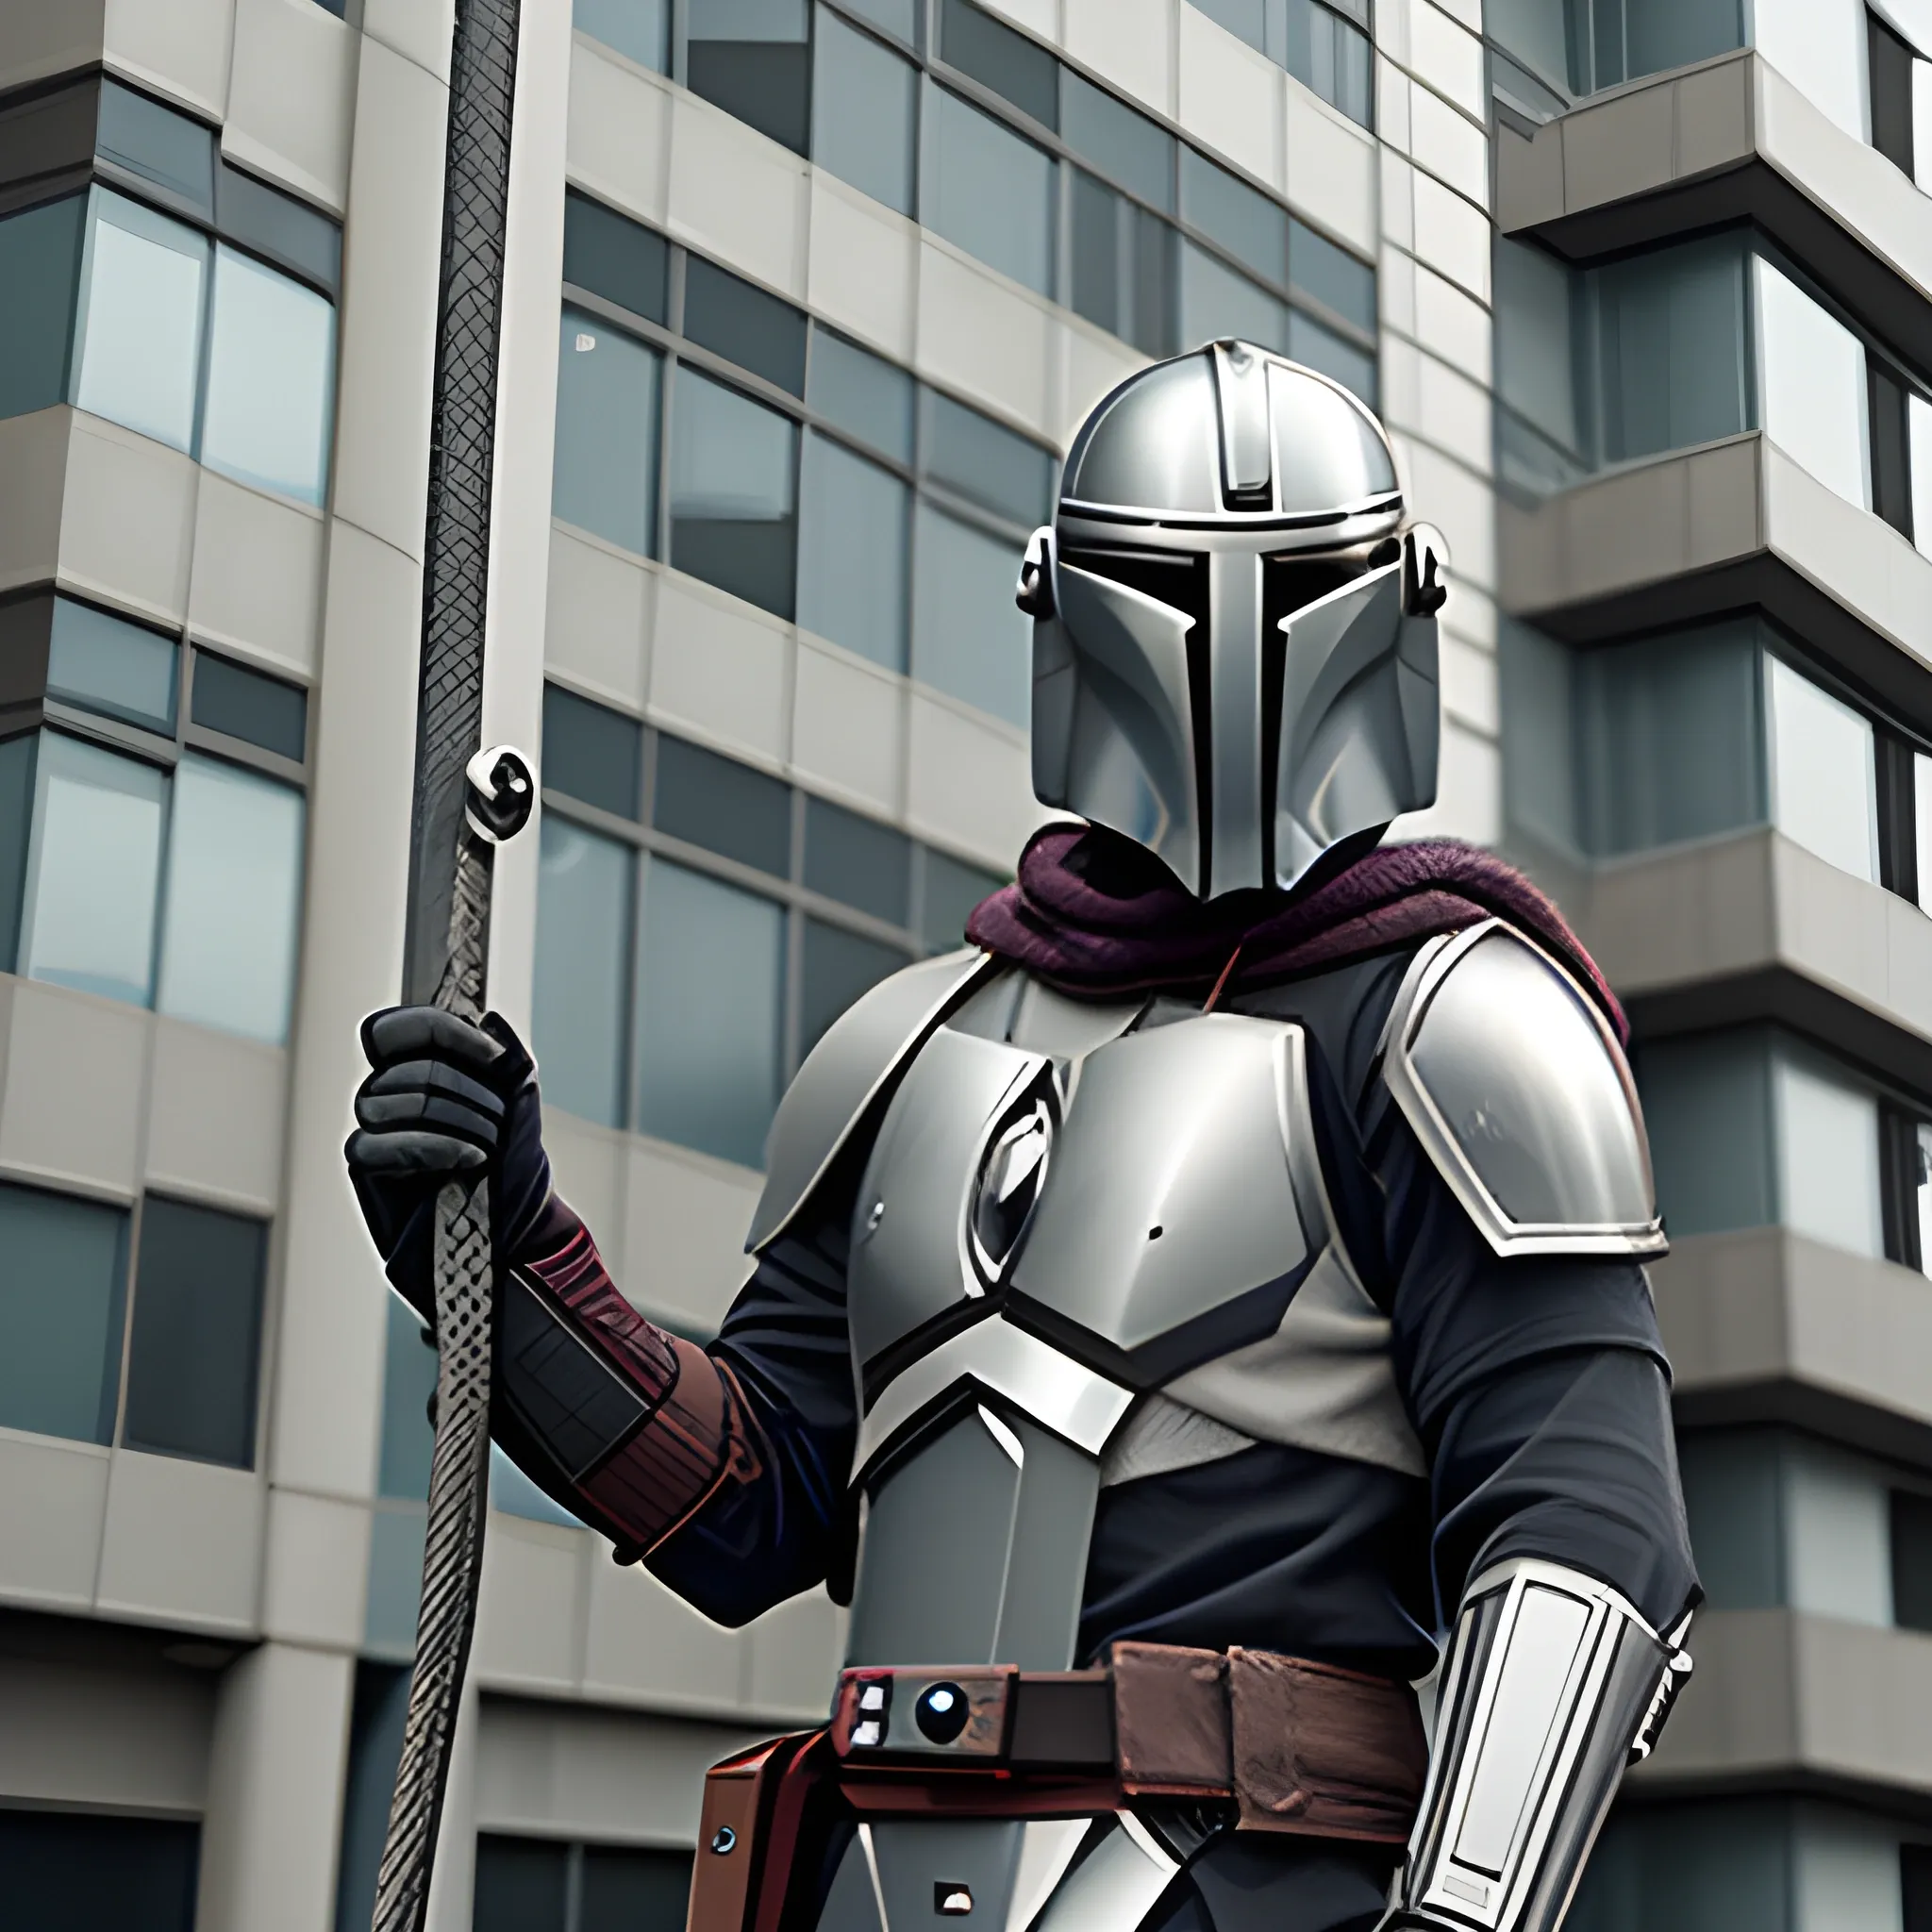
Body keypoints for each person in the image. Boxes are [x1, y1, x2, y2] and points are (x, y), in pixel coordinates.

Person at [346, 342, 1698, 1932]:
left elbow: (1585, 1539)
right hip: (868, 1878)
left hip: (1251, 1896)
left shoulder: (1455, 1022)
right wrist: (503, 1259)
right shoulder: (917, 1037)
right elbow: (745, 1502)